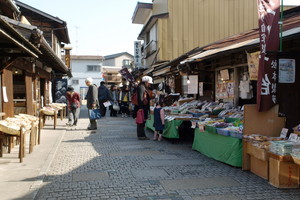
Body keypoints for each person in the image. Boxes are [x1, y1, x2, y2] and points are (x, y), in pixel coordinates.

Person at [135, 76, 153, 140]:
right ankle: (141, 135)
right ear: (145, 82)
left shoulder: (142, 87)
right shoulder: (141, 87)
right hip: (142, 108)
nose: (149, 84)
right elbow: (140, 98)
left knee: (142, 122)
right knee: (141, 122)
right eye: (149, 83)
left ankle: (142, 135)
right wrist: (140, 108)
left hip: (142, 107)